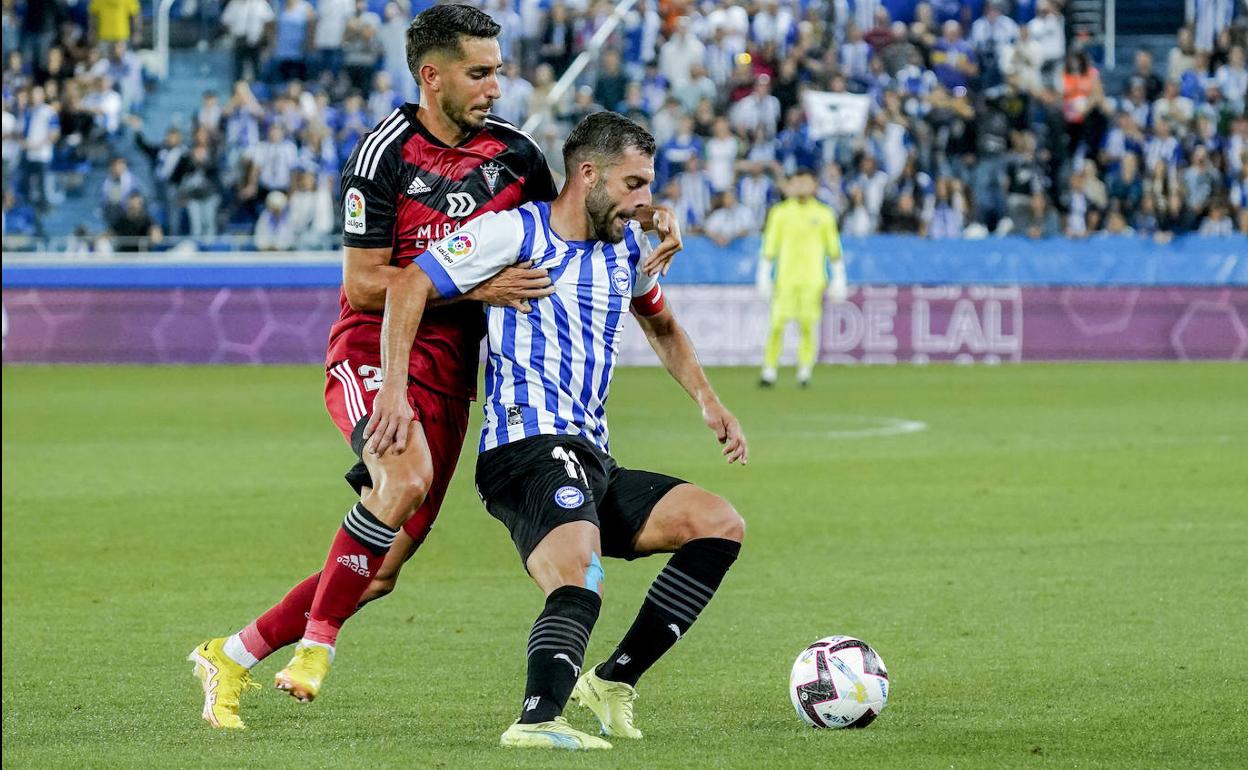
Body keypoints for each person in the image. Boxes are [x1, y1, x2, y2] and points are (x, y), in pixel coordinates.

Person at [187, 3, 682, 731]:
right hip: (374, 350)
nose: (494, 88)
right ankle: (316, 648)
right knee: (405, 477)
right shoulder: (384, 154)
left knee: (381, 571)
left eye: (498, 73)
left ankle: (230, 654)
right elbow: (363, 284)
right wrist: (476, 287)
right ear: (431, 75)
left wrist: (648, 215)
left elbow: (576, 220)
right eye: (479, 74)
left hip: (454, 378)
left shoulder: (514, 156)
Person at [367, 111, 746, 751]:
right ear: (588, 174)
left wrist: (710, 403)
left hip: (591, 455)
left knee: (718, 524)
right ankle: (537, 720)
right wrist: (395, 392)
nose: (645, 201)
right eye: (634, 185)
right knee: (579, 570)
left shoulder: (628, 246)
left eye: (649, 186)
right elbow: (407, 285)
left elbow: (660, 323)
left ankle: (613, 680)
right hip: (524, 450)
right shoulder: (514, 232)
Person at [756, 168, 847, 388]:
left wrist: (838, 278)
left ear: (814, 185)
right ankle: (769, 370)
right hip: (785, 279)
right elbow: (770, 246)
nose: (800, 186)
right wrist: (764, 274)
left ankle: (804, 370)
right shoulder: (780, 212)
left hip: (813, 279)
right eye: (796, 182)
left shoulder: (824, 214)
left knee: (808, 325)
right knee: (777, 324)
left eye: (805, 182)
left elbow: (833, 249)